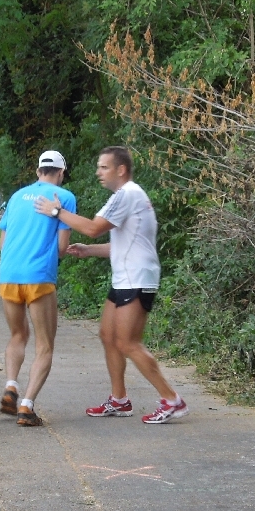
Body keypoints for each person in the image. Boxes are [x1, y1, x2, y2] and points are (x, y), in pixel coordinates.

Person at [34, 146, 188, 425]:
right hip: (125, 278)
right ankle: (119, 399)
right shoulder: (124, 196)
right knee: (107, 335)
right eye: (98, 167)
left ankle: (172, 400)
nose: (98, 172)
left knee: (128, 343)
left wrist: (56, 211)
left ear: (121, 170)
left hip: (137, 279)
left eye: (104, 167)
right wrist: (89, 250)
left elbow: (93, 228)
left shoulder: (128, 193)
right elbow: (124, 244)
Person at [0, 150, 76, 426]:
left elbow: (2, 243)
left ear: (38, 171)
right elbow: (62, 247)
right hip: (38, 276)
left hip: (8, 274)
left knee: (18, 335)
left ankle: (11, 385)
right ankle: (27, 406)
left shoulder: (17, 196)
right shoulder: (64, 197)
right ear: (61, 172)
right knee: (45, 345)